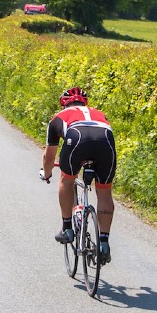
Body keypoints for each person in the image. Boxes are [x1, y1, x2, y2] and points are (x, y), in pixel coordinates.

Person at [39, 87, 115, 265]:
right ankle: (103, 243)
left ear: (64, 104)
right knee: (104, 192)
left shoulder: (58, 118)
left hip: (77, 137)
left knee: (67, 179)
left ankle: (67, 229)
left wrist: (47, 173)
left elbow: (49, 157)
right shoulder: (99, 113)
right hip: (105, 139)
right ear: (84, 103)